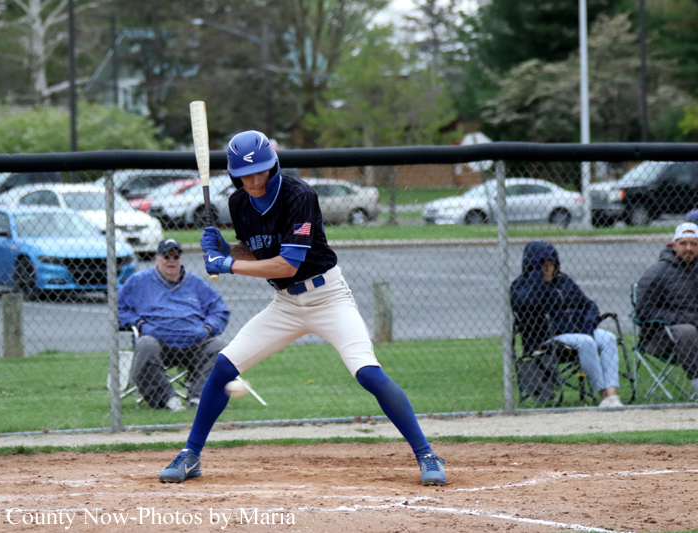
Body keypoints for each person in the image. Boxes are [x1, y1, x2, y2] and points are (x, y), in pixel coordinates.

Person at [158, 130, 447, 486]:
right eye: (246, 175)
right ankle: (191, 455)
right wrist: (228, 249)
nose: (254, 180)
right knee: (223, 368)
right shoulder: (238, 203)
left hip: (329, 298)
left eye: (261, 171)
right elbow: (259, 252)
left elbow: (287, 265)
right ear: (234, 176)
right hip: (286, 305)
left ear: (273, 166)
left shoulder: (299, 195)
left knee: (368, 373)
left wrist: (229, 265)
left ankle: (427, 454)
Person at [118, 238, 230, 411]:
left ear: (181, 259)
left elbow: (220, 311)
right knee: (145, 344)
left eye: (176, 256)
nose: (171, 260)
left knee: (219, 346)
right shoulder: (138, 282)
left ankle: (199, 398)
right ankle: (168, 400)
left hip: (194, 345)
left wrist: (208, 329)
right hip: (158, 345)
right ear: (157, 258)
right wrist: (139, 324)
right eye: (166, 256)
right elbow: (118, 310)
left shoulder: (196, 284)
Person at [511, 241, 623, 407]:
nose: (548, 269)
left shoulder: (564, 281)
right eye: (543, 265)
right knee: (586, 341)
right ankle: (604, 395)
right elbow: (531, 301)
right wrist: (536, 276)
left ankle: (612, 395)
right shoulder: (521, 285)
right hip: (547, 339)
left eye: (551, 264)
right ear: (532, 266)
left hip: (578, 333)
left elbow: (589, 305)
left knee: (608, 338)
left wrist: (588, 326)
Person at [636, 222, 698, 399]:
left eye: (693, 244)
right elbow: (644, 311)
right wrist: (686, 318)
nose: (688, 248)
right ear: (673, 245)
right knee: (686, 330)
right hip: (660, 337)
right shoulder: (657, 273)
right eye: (683, 243)